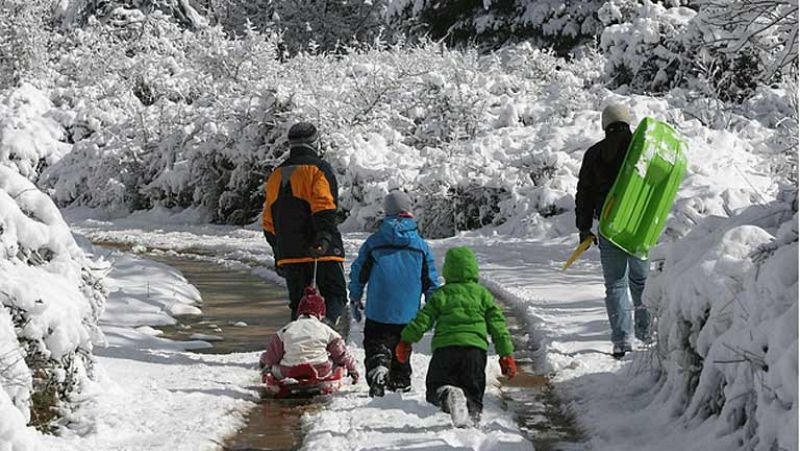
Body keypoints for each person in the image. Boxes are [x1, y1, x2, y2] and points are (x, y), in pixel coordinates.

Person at [394, 246, 517, 428]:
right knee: (473, 391)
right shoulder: (483, 295)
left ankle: (447, 394)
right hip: (475, 352)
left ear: (448, 270)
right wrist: (505, 354)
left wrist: (406, 340)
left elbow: (423, 319)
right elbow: (498, 326)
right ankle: (471, 420)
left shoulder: (442, 294)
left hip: (446, 350)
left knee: (435, 386)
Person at [575, 104, 652, 358]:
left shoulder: (595, 153)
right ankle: (647, 335)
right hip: (640, 226)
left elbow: (584, 194)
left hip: (610, 226)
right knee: (641, 281)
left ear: (605, 124)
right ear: (628, 122)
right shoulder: (642, 150)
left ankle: (622, 341)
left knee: (616, 284)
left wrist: (584, 228)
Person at [349, 191, 440, 397]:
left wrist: (355, 297)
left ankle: (378, 364)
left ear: (387, 211)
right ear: (408, 210)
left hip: (378, 308)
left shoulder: (374, 242)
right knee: (402, 344)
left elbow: (359, 271)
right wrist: (434, 307)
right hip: (408, 311)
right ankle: (400, 380)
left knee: (375, 341)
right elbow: (431, 281)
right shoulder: (421, 246)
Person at [262, 122, 348, 336]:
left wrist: (278, 251)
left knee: (299, 305)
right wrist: (324, 238)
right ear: (315, 142)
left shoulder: (276, 175)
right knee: (335, 296)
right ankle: (329, 335)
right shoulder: (318, 169)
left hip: (289, 252)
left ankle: (296, 349)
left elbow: (268, 221)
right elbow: (324, 207)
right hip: (321, 250)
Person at [260, 287, 359, 383]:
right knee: (336, 363)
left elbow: (272, 356)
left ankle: (270, 376)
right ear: (320, 314)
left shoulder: (286, 330)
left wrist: (264, 361)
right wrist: (352, 368)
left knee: (273, 368)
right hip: (319, 369)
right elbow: (341, 354)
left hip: (289, 370)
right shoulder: (326, 330)